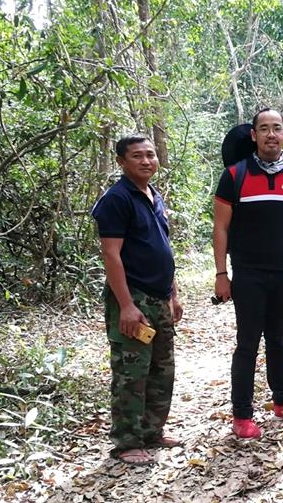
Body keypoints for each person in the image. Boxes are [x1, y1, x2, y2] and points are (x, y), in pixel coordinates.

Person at [213, 108, 283, 440]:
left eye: (278, 128)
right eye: (264, 129)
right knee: (247, 343)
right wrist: (221, 273)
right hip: (248, 273)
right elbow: (221, 228)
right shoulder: (235, 175)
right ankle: (242, 414)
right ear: (253, 135)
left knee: (278, 338)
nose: (272, 134)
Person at [91, 135, 183, 466]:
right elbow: (111, 256)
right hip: (132, 296)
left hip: (158, 296)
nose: (146, 161)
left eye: (150, 155)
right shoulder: (117, 199)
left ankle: (151, 431)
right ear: (121, 161)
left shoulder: (152, 195)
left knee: (161, 367)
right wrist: (126, 305)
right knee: (133, 371)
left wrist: (173, 293)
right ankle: (127, 441)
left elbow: (161, 247)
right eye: (137, 156)